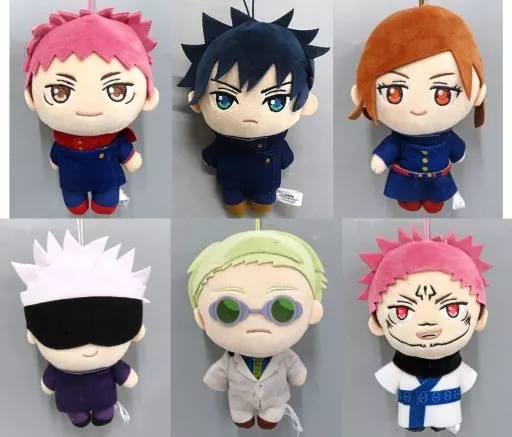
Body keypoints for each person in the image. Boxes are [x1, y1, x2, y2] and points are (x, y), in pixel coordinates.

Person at [179, 7, 329, 216]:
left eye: (276, 101)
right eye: (224, 99)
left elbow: (210, 158)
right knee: (233, 199)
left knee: (263, 200)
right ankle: (239, 199)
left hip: (265, 185)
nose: (250, 115)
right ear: (197, 102)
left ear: (306, 104)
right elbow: (286, 160)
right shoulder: (224, 144)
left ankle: (261, 199)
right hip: (231, 184)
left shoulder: (276, 144)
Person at [349, 5, 486, 213]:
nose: (419, 108)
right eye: (394, 92)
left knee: (434, 204)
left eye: (443, 94)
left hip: (437, 182)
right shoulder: (399, 140)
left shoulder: (446, 138)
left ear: (478, 93)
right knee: (409, 202)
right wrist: (381, 159)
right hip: (406, 181)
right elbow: (389, 150)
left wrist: (459, 154)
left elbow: (458, 151)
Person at [23, 9, 160, 215]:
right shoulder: (61, 143)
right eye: (59, 92)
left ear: (148, 97)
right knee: (74, 202)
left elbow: (124, 152)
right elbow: (56, 156)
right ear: (32, 98)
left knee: (106, 201)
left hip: (105, 178)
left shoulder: (114, 141)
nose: (88, 107)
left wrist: (130, 157)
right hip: (72, 180)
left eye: (117, 90)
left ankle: (100, 203)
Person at [188, 229, 326, 429]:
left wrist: (299, 377)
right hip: (239, 403)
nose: (256, 321)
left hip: (276, 400)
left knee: (272, 414)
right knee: (240, 414)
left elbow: (297, 371)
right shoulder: (230, 360)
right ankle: (242, 415)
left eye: (282, 309)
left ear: (313, 312)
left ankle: (270, 414)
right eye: (229, 310)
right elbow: (215, 378)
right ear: (201, 318)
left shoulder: (285, 357)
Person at [359, 227, 491, 432]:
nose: (428, 323)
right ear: (377, 323)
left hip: (448, 413)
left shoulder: (457, 369)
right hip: (411, 414)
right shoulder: (399, 368)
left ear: (480, 317)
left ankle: (441, 423)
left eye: (452, 309)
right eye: (402, 311)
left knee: (444, 419)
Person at [14, 231, 151, 427]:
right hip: (78, 401)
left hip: (93, 399)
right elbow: (129, 378)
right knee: (80, 414)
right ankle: (81, 415)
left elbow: (48, 385)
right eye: (65, 335)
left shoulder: (71, 368)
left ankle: (99, 413)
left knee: (101, 412)